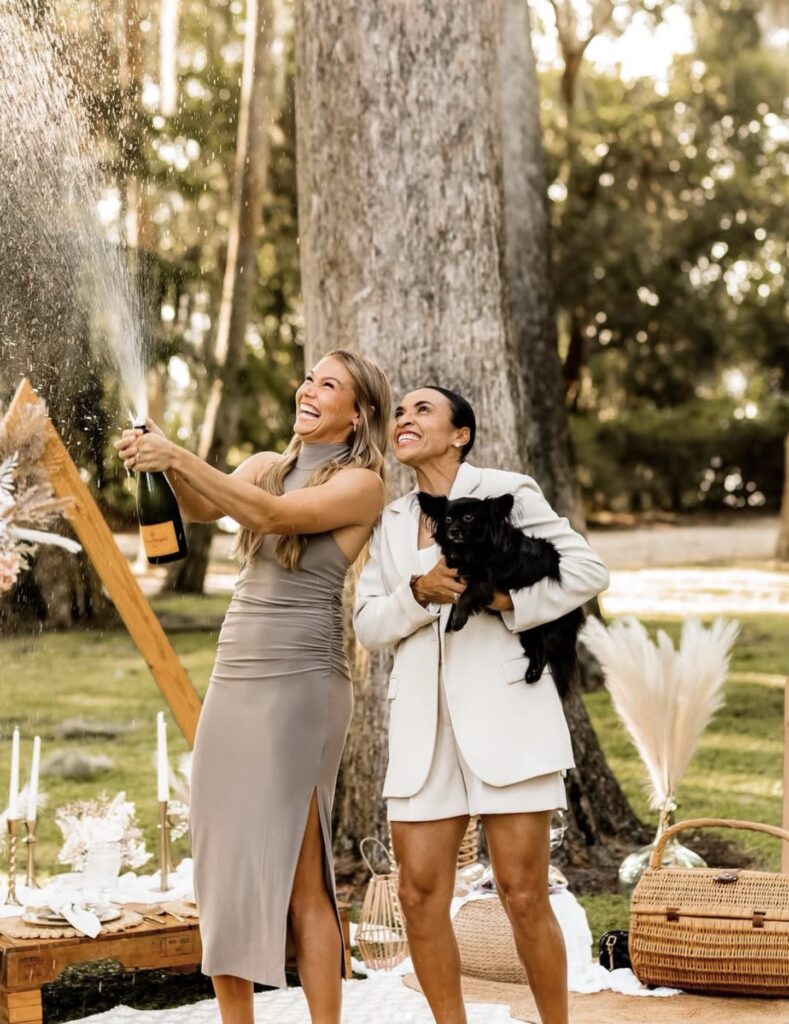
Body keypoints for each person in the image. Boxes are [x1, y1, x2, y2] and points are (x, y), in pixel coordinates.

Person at [116, 351, 392, 1024]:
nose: (308, 389)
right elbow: (204, 505)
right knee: (220, 864)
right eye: (308, 378)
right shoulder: (264, 464)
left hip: (301, 680)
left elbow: (271, 516)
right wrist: (159, 462)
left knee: (304, 877)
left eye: (329, 385)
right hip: (235, 671)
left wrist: (176, 454)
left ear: (357, 414)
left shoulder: (363, 484)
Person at [353, 385, 610, 1024]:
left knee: (524, 895)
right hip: (421, 727)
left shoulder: (511, 491)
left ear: (460, 433)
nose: (405, 419)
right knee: (416, 896)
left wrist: (503, 602)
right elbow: (367, 623)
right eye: (401, 413)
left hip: (508, 716)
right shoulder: (388, 520)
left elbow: (586, 571)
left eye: (423, 411)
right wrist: (418, 592)